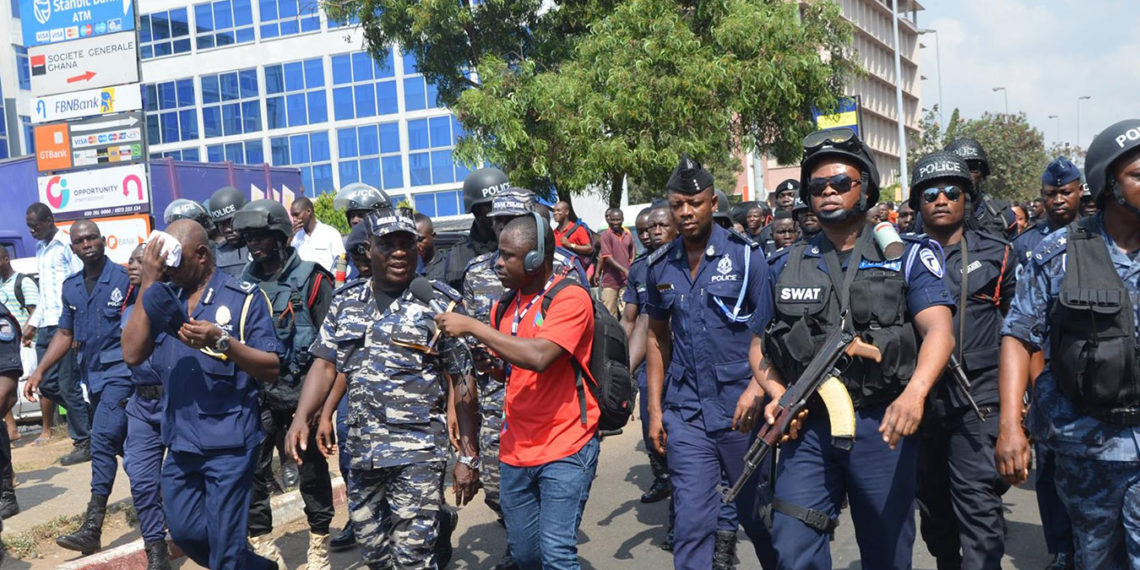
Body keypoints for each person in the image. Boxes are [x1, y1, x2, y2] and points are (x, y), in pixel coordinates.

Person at [753, 127, 955, 569]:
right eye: (817, 186)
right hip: (807, 426)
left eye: (841, 182)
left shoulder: (908, 255)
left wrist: (915, 394)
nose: (828, 192)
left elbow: (940, 331)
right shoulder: (784, 263)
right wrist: (776, 395)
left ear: (866, 187)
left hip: (882, 422)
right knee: (792, 545)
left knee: (885, 551)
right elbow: (759, 346)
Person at [285, 206, 480, 569]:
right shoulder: (346, 302)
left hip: (418, 452)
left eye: (407, 243)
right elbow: (326, 364)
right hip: (362, 452)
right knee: (374, 553)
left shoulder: (439, 302)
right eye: (389, 245)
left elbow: (463, 379)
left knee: (412, 559)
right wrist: (304, 417)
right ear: (368, 250)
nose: (400, 252)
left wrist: (468, 456)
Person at [996, 119, 1140, 568]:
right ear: (1108, 183)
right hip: (1086, 444)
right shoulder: (1058, 254)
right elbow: (1019, 335)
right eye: (1138, 174)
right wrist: (1010, 427)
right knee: (1094, 556)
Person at [436, 212, 598, 570]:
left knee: (557, 554)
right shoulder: (504, 306)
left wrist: (474, 328)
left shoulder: (569, 298)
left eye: (509, 255)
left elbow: (540, 356)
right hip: (517, 449)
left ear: (536, 259)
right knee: (525, 556)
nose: (498, 262)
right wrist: (491, 364)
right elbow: (511, 368)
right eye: (499, 252)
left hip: (566, 444)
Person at [123, 219, 281, 569]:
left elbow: (271, 367)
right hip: (181, 442)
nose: (169, 271)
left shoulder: (243, 299)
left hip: (229, 443)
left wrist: (221, 341)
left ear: (202, 255)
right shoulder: (165, 298)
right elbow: (132, 353)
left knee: (225, 549)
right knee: (183, 532)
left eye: (175, 264)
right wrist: (148, 282)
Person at [644, 154, 776, 570]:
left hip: (743, 410)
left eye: (695, 203)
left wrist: (758, 388)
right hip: (687, 413)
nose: (686, 212)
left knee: (760, 518)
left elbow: (771, 333)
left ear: (712, 202)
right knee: (692, 523)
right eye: (678, 204)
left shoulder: (746, 257)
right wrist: (653, 410)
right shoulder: (660, 265)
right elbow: (656, 337)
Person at [907, 152, 1016, 569]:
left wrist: (1019, 402)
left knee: (979, 507)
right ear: (918, 202)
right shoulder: (901, 257)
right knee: (934, 513)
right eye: (930, 193)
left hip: (979, 398)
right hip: (922, 399)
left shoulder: (998, 253)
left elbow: (1020, 329)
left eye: (952, 192)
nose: (941, 200)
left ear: (966, 198)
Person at [234, 199, 334, 569]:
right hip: (256, 396)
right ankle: (262, 545)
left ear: (280, 235)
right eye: (249, 237)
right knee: (254, 474)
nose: (254, 244)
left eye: (261, 236)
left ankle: (320, 543)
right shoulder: (241, 283)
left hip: (301, 394)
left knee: (311, 473)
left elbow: (330, 345)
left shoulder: (312, 277)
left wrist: (322, 408)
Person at [24, 220, 134, 555]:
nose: (87, 243)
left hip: (123, 374)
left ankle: (92, 525)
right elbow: (65, 334)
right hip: (94, 378)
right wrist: (40, 370)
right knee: (128, 449)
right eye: (80, 240)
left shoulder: (125, 279)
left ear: (103, 241)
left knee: (100, 441)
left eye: (92, 237)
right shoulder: (70, 288)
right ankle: (170, 499)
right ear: (73, 248)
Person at [24, 203, 90, 464]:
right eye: (29, 227)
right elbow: (44, 294)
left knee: (67, 384)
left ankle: (84, 442)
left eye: (34, 226)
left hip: (66, 326)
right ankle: (89, 415)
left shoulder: (66, 245)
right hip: (46, 326)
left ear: (49, 221)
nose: (31, 231)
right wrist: (32, 322)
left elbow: (79, 283)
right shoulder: (40, 249)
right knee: (47, 384)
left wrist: (77, 328)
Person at [122, 244, 173, 569]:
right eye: (131, 260)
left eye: (142, 260)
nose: (133, 265)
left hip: (176, 401)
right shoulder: (129, 308)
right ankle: (156, 552)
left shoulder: (174, 301)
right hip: (141, 403)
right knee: (141, 479)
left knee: (182, 478)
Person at [1012, 157, 1083, 267]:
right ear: (1042, 194)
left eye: (1066, 193)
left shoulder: (1098, 234)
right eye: (1051, 194)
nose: (1058, 200)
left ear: (1080, 191)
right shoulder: (1024, 243)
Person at [0, 246, 36, 447]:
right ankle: (11, 430)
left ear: (6, 259)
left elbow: (35, 310)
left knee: (13, 392)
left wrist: (25, 333)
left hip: (24, 343)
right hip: (6, 347)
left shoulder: (24, 281)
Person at [944, 137, 1016, 237]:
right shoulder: (930, 215)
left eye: (972, 167)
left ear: (983, 172)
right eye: (958, 168)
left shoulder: (1002, 215)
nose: (966, 175)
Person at [448, 168, 510, 284]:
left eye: (505, 203)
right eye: (493, 206)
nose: (501, 211)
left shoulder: (523, 245)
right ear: (476, 211)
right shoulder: (459, 256)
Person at [291, 197, 346, 273]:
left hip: (327, 282)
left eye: (296, 215)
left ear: (308, 211)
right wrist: (290, 237)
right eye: (292, 216)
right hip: (303, 283)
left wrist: (337, 283)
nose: (294, 219)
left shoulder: (330, 233)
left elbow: (341, 261)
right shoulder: (296, 237)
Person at [207, 186, 252, 278]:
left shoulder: (263, 248)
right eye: (222, 224)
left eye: (231, 222)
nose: (228, 229)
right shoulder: (214, 254)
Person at [598, 208, 634, 318]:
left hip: (625, 281)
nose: (615, 223)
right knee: (609, 313)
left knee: (627, 312)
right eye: (612, 220)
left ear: (622, 219)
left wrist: (631, 262)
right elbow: (607, 257)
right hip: (610, 281)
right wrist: (624, 270)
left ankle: (627, 335)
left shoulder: (627, 234)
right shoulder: (606, 235)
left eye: (618, 220)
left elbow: (632, 249)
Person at [552, 200, 595, 271]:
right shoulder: (553, 233)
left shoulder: (578, 230)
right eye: (554, 211)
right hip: (557, 270)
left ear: (566, 212)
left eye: (558, 210)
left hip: (574, 272)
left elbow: (589, 249)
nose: (555, 213)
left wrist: (570, 245)